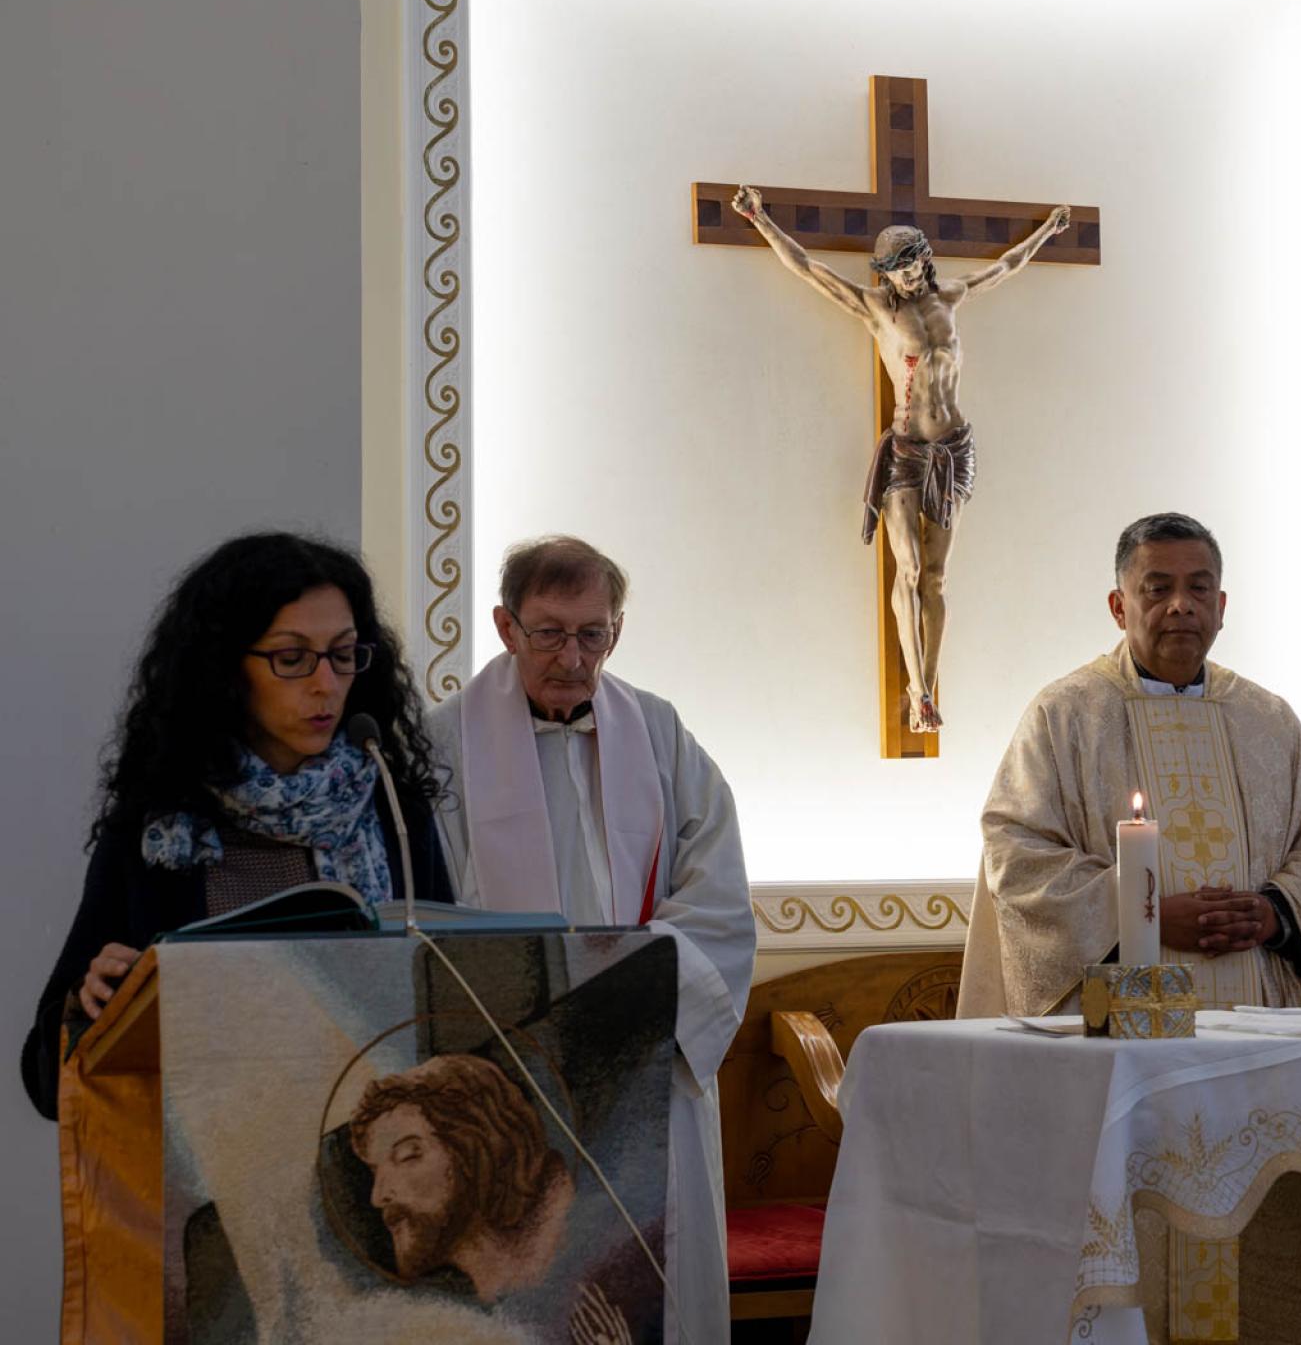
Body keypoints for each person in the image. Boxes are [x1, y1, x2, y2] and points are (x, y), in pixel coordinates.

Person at [424, 535, 754, 1343]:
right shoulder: (444, 744)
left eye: (592, 634)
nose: (572, 658)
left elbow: (716, 893)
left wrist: (627, 994)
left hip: (643, 1046)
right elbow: (426, 906)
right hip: (506, 1065)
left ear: (617, 631)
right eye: (549, 633)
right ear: (506, 627)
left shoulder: (658, 732)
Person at [21, 533, 455, 1120]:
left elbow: (451, 1015)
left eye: (343, 653)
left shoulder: (393, 811)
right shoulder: (162, 827)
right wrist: (92, 1004)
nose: (326, 684)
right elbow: (46, 1083)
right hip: (215, 1153)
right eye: (292, 658)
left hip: (374, 1146)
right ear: (225, 668)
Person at [958, 513, 1301, 1017]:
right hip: (1118, 1013)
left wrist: (1273, 912)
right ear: (1119, 607)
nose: (1181, 605)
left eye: (1199, 589)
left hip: (1256, 1015)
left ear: (1220, 607)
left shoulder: (1266, 718)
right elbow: (1015, 850)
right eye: (1157, 589)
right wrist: (1141, 914)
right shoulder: (1066, 714)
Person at [730, 182, 1072, 732]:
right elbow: (809, 269)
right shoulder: (874, 310)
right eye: (896, 271)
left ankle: (928, 689)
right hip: (907, 451)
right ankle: (916, 689)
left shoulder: (950, 298)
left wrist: (1048, 232)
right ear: (883, 274)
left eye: (912, 266)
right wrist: (759, 218)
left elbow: (1005, 267)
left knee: (936, 577)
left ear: (925, 261)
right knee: (908, 568)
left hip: (953, 449)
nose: (907, 277)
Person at [350, 1053, 574, 1303]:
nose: (378, 1196)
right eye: (375, 1171)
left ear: (475, 1149)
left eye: (407, 1156)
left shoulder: (572, 1261)